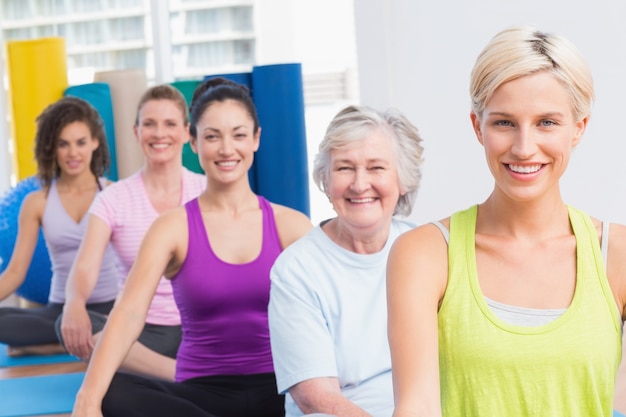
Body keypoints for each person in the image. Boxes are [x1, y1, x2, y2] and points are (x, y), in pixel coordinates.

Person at [387, 25, 626, 417]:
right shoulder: (424, 255)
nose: (524, 147)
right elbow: (417, 406)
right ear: (477, 126)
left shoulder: (615, 254)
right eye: (504, 123)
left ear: (579, 129)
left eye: (547, 122)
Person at [70, 77, 312, 417]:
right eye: (212, 136)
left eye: (239, 135)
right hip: (200, 397)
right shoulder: (172, 228)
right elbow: (128, 312)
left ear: (255, 139)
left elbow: (329, 316)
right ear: (194, 143)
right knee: (109, 390)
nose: (227, 149)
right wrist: (87, 399)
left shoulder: (292, 226)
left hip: (281, 390)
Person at [268, 104, 425, 417]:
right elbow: (315, 398)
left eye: (376, 168)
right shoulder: (296, 270)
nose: (359, 184)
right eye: (344, 168)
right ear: (326, 180)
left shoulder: (426, 248)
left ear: (403, 179)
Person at [58, 84, 206, 380]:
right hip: (140, 331)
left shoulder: (207, 190)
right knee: (71, 322)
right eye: (149, 124)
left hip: (202, 326)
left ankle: (159, 371)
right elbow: (86, 265)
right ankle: (180, 374)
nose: (159, 133)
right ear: (136, 131)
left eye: (169, 124)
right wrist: (74, 303)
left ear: (187, 132)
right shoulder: (113, 198)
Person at [0, 97, 119, 357]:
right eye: (63, 144)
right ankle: (74, 342)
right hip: (59, 312)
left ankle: (57, 344)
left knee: (117, 324)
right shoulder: (37, 202)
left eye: (81, 142)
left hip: (109, 308)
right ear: (51, 148)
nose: (73, 153)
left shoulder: (114, 194)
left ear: (95, 142)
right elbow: (15, 273)